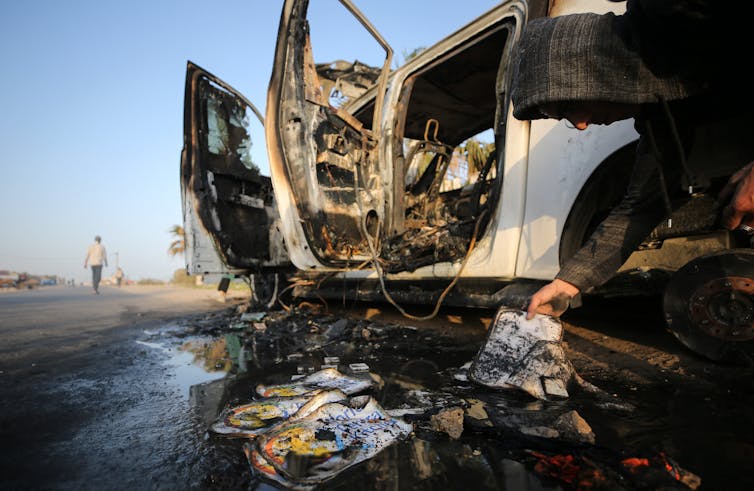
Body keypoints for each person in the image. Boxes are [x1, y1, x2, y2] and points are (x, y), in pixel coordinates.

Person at [508, 1, 754, 320]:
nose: (581, 124)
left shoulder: (667, 13)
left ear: (584, 66)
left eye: (568, 105)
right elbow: (638, 208)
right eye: (566, 119)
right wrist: (567, 283)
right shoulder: (662, 127)